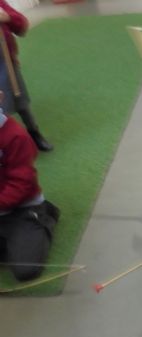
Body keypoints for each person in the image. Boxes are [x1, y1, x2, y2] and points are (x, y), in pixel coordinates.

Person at [0, 91, 59, 282]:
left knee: (26, 270)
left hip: (21, 209)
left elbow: (21, 184)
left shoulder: (15, 136)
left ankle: (45, 216)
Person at [0, 0, 53, 151]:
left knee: (21, 103)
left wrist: (7, 17)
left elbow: (21, 25)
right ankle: (6, 146)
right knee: (2, 111)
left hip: (7, 65)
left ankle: (35, 134)